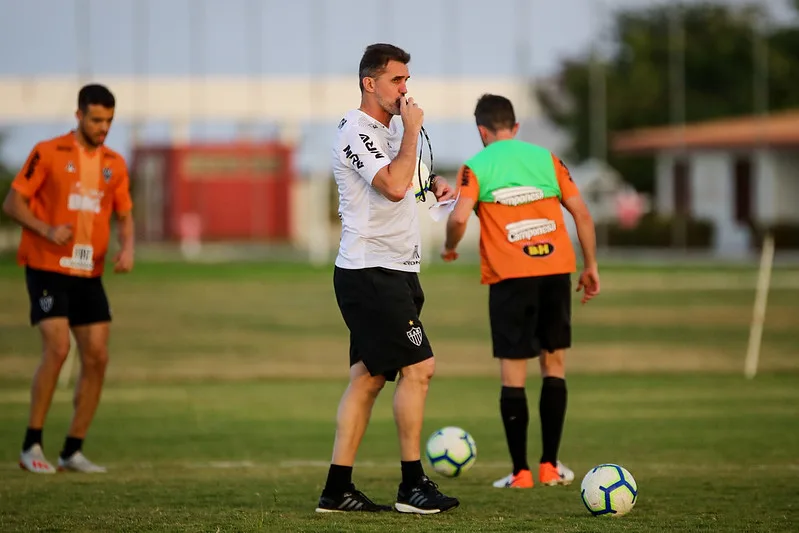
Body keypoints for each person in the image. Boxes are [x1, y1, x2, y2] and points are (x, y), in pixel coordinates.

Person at [315, 43, 460, 514]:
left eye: (407, 80)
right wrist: (413, 132)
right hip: (370, 272)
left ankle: (337, 491)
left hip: (396, 270)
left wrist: (434, 186)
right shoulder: (354, 130)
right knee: (420, 368)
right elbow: (392, 187)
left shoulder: (391, 129)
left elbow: (409, 184)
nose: (405, 89)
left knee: (368, 379)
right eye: (397, 80)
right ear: (369, 83)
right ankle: (412, 485)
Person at [441, 94, 600, 489]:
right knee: (554, 366)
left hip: (510, 278)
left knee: (513, 376)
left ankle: (521, 472)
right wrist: (591, 266)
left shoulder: (475, 166)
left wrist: (450, 246)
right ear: (515, 127)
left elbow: (459, 217)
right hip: (556, 273)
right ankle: (550, 466)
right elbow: (581, 213)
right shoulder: (548, 159)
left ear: (481, 131)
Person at [2, 83, 135, 474]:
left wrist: (127, 247)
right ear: (79, 116)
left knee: (97, 357)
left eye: (109, 121)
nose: (103, 127)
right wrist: (45, 229)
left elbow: (124, 214)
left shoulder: (114, 162)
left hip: (89, 274)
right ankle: (32, 445)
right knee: (58, 349)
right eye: (96, 119)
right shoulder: (47, 152)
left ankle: (72, 450)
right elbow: (12, 202)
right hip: (47, 267)